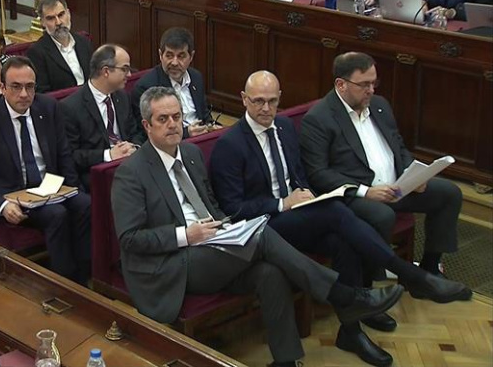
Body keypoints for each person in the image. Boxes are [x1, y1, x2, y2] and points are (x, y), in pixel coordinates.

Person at [112, 86, 404, 367]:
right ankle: (346, 296)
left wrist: (226, 229)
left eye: (177, 116)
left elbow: (213, 206)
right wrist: (186, 235)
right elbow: (130, 239)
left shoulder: (191, 154)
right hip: (172, 264)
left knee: (269, 273)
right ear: (147, 125)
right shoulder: (131, 172)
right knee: (263, 234)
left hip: (213, 246)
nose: (173, 124)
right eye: (163, 119)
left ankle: (285, 360)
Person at [211, 71, 472, 367]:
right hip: (265, 227)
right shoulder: (230, 144)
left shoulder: (283, 127)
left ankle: (351, 332)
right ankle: (411, 276)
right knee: (337, 212)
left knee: (343, 241)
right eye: (258, 101)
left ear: (280, 98)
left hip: (298, 215)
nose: (266, 108)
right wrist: (283, 203)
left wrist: (306, 193)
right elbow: (233, 209)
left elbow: (299, 174)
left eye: (272, 101)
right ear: (244, 99)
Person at [300, 52, 466, 285]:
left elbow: (398, 147)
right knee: (382, 215)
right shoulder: (319, 119)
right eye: (364, 84)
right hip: (355, 196)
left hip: (396, 188)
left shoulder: (379, 105)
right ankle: (370, 284)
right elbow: (318, 174)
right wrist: (366, 192)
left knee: (449, 193)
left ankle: (429, 268)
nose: (371, 90)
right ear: (341, 84)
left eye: (374, 83)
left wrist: (413, 174)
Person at [0, 56, 92, 284]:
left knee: (85, 204)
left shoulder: (48, 107)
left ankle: (87, 275)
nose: (24, 94)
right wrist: (1, 206)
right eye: (16, 87)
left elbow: (63, 154)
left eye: (30, 87)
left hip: (50, 186)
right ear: (2, 88)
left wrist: (74, 189)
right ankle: (66, 284)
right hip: (15, 195)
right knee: (57, 214)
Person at [60, 44, 144, 190]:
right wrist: (108, 155)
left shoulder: (122, 97)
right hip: (98, 175)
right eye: (124, 69)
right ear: (106, 71)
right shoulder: (70, 107)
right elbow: (72, 156)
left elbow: (135, 132)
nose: (130, 75)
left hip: (130, 165)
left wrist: (134, 147)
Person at [131, 27, 217, 138]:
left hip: (202, 135)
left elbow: (204, 113)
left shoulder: (196, 77)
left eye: (181, 56)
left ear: (191, 56)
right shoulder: (145, 87)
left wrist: (211, 126)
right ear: (160, 55)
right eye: (169, 56)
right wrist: (186, 133)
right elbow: (148, 132)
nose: (174, 62)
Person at [26, 0, 93, 93]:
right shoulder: (37, 52)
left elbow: (95, 77)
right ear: (42, 22)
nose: (58, 22)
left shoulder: (83, 42)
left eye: (61, 15)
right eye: (51, 18)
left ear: (68, 14)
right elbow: (43, 93)